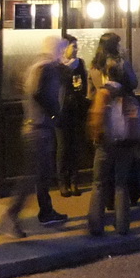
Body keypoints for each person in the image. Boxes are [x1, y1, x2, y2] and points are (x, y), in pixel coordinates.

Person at [0, 36, 69, 238]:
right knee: (31, 177)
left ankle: (45, 212)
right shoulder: (46, 68)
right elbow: (39, 93)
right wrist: (55, 114)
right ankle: (10, 217)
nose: (63, 54)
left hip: (34, 127)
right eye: (62, 50)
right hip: (39, 128)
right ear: (55, 50)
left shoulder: (36, 66)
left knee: (39, 174)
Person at [86, 62, 140, 236]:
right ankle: (123, 226)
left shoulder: (103, 93)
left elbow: (96, 117)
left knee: (99, 184)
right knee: (121, 185)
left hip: (106, 145)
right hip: (125, 145)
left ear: (106, 76)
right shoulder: (129, 95)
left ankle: (96, 226)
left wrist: (96, 138)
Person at [88, 32, 140, 205]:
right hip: (123, 117)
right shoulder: (121, 64)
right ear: (115, 46)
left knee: (103, 168)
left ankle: (106, 203)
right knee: (125, 165)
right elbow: (134, 83)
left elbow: (89, 94)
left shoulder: (94, 67)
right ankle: (126, 204)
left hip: (102, 117)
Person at [57, 34, 88, 197]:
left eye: (76, 46)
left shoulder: (80, 64)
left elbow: (84, 85)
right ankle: (63, 182)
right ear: (64, 48)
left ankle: (75, 181)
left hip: (76, 109)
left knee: (75, 146)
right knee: (63, 148)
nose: (76, 49)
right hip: (62, 111)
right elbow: (59, 84)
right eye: (73, 46)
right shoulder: (58, 65)